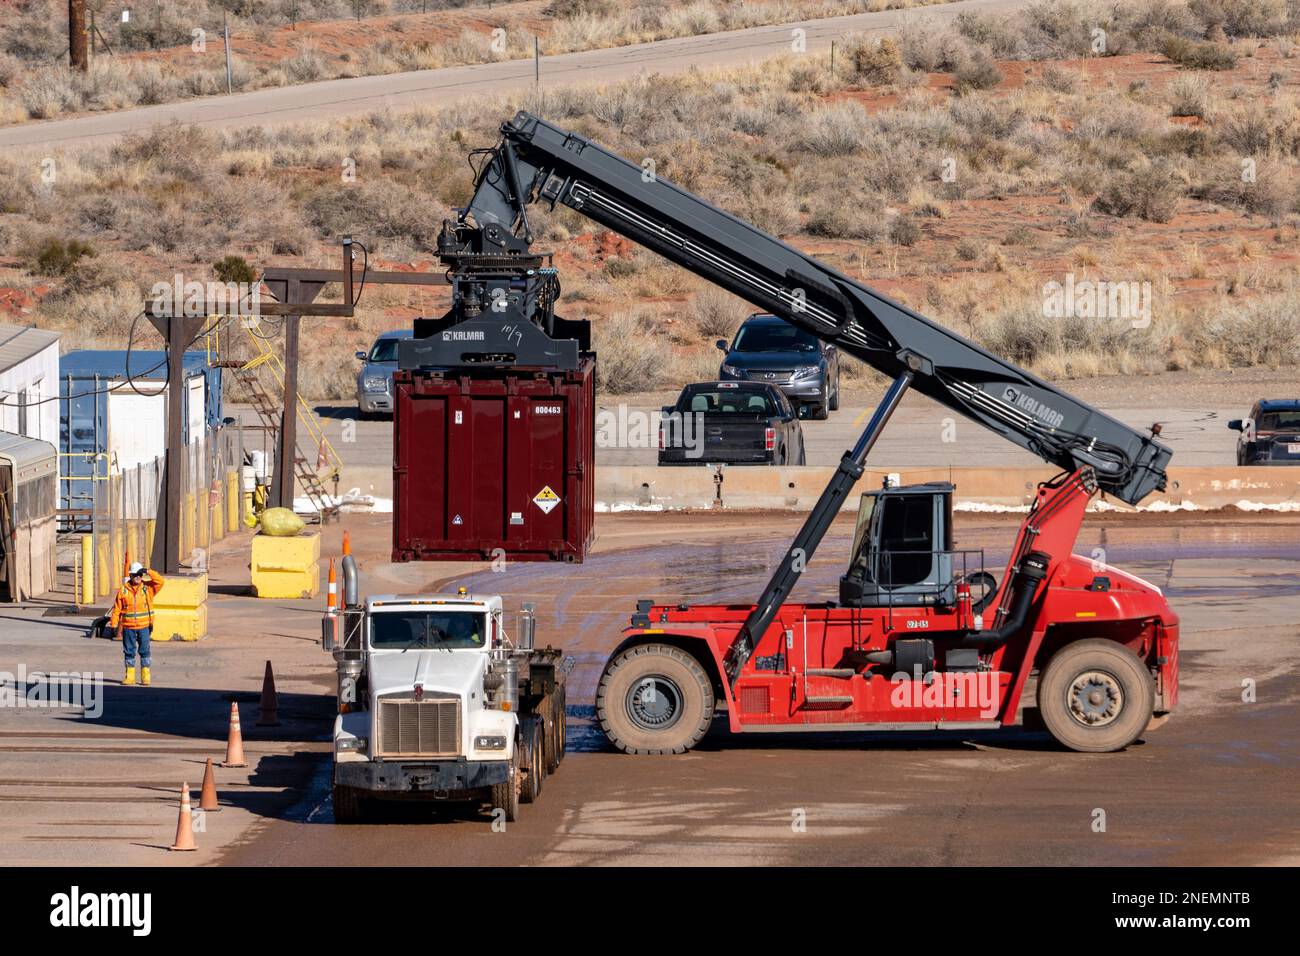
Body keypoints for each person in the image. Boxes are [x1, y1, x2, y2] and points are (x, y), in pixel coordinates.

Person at [109, 562, 165, 686]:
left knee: (145, 651)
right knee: (129, 651)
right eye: (135, 574)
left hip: (144, 627)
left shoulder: (148, 589)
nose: (138, 577)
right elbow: (117, 609)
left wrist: (148, 571)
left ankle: (146, 675)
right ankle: (130, 676)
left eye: (140, 574)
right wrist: (113, 625)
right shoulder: (123, 591)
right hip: (128, 628)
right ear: (130, 575)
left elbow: (160, 581)